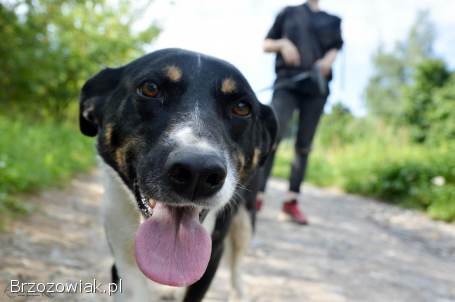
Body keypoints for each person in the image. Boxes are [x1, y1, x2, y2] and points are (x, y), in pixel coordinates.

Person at [257, 0, 343, 225]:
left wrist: (327, 60)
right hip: (287, 82)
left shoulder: (332, 20)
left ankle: (290, 203)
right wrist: (283, 44)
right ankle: (256, 195)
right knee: (271, 137)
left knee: (304, 146)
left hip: (316, 87)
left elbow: (335, 48)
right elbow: (266, 44)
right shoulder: (288, 12)